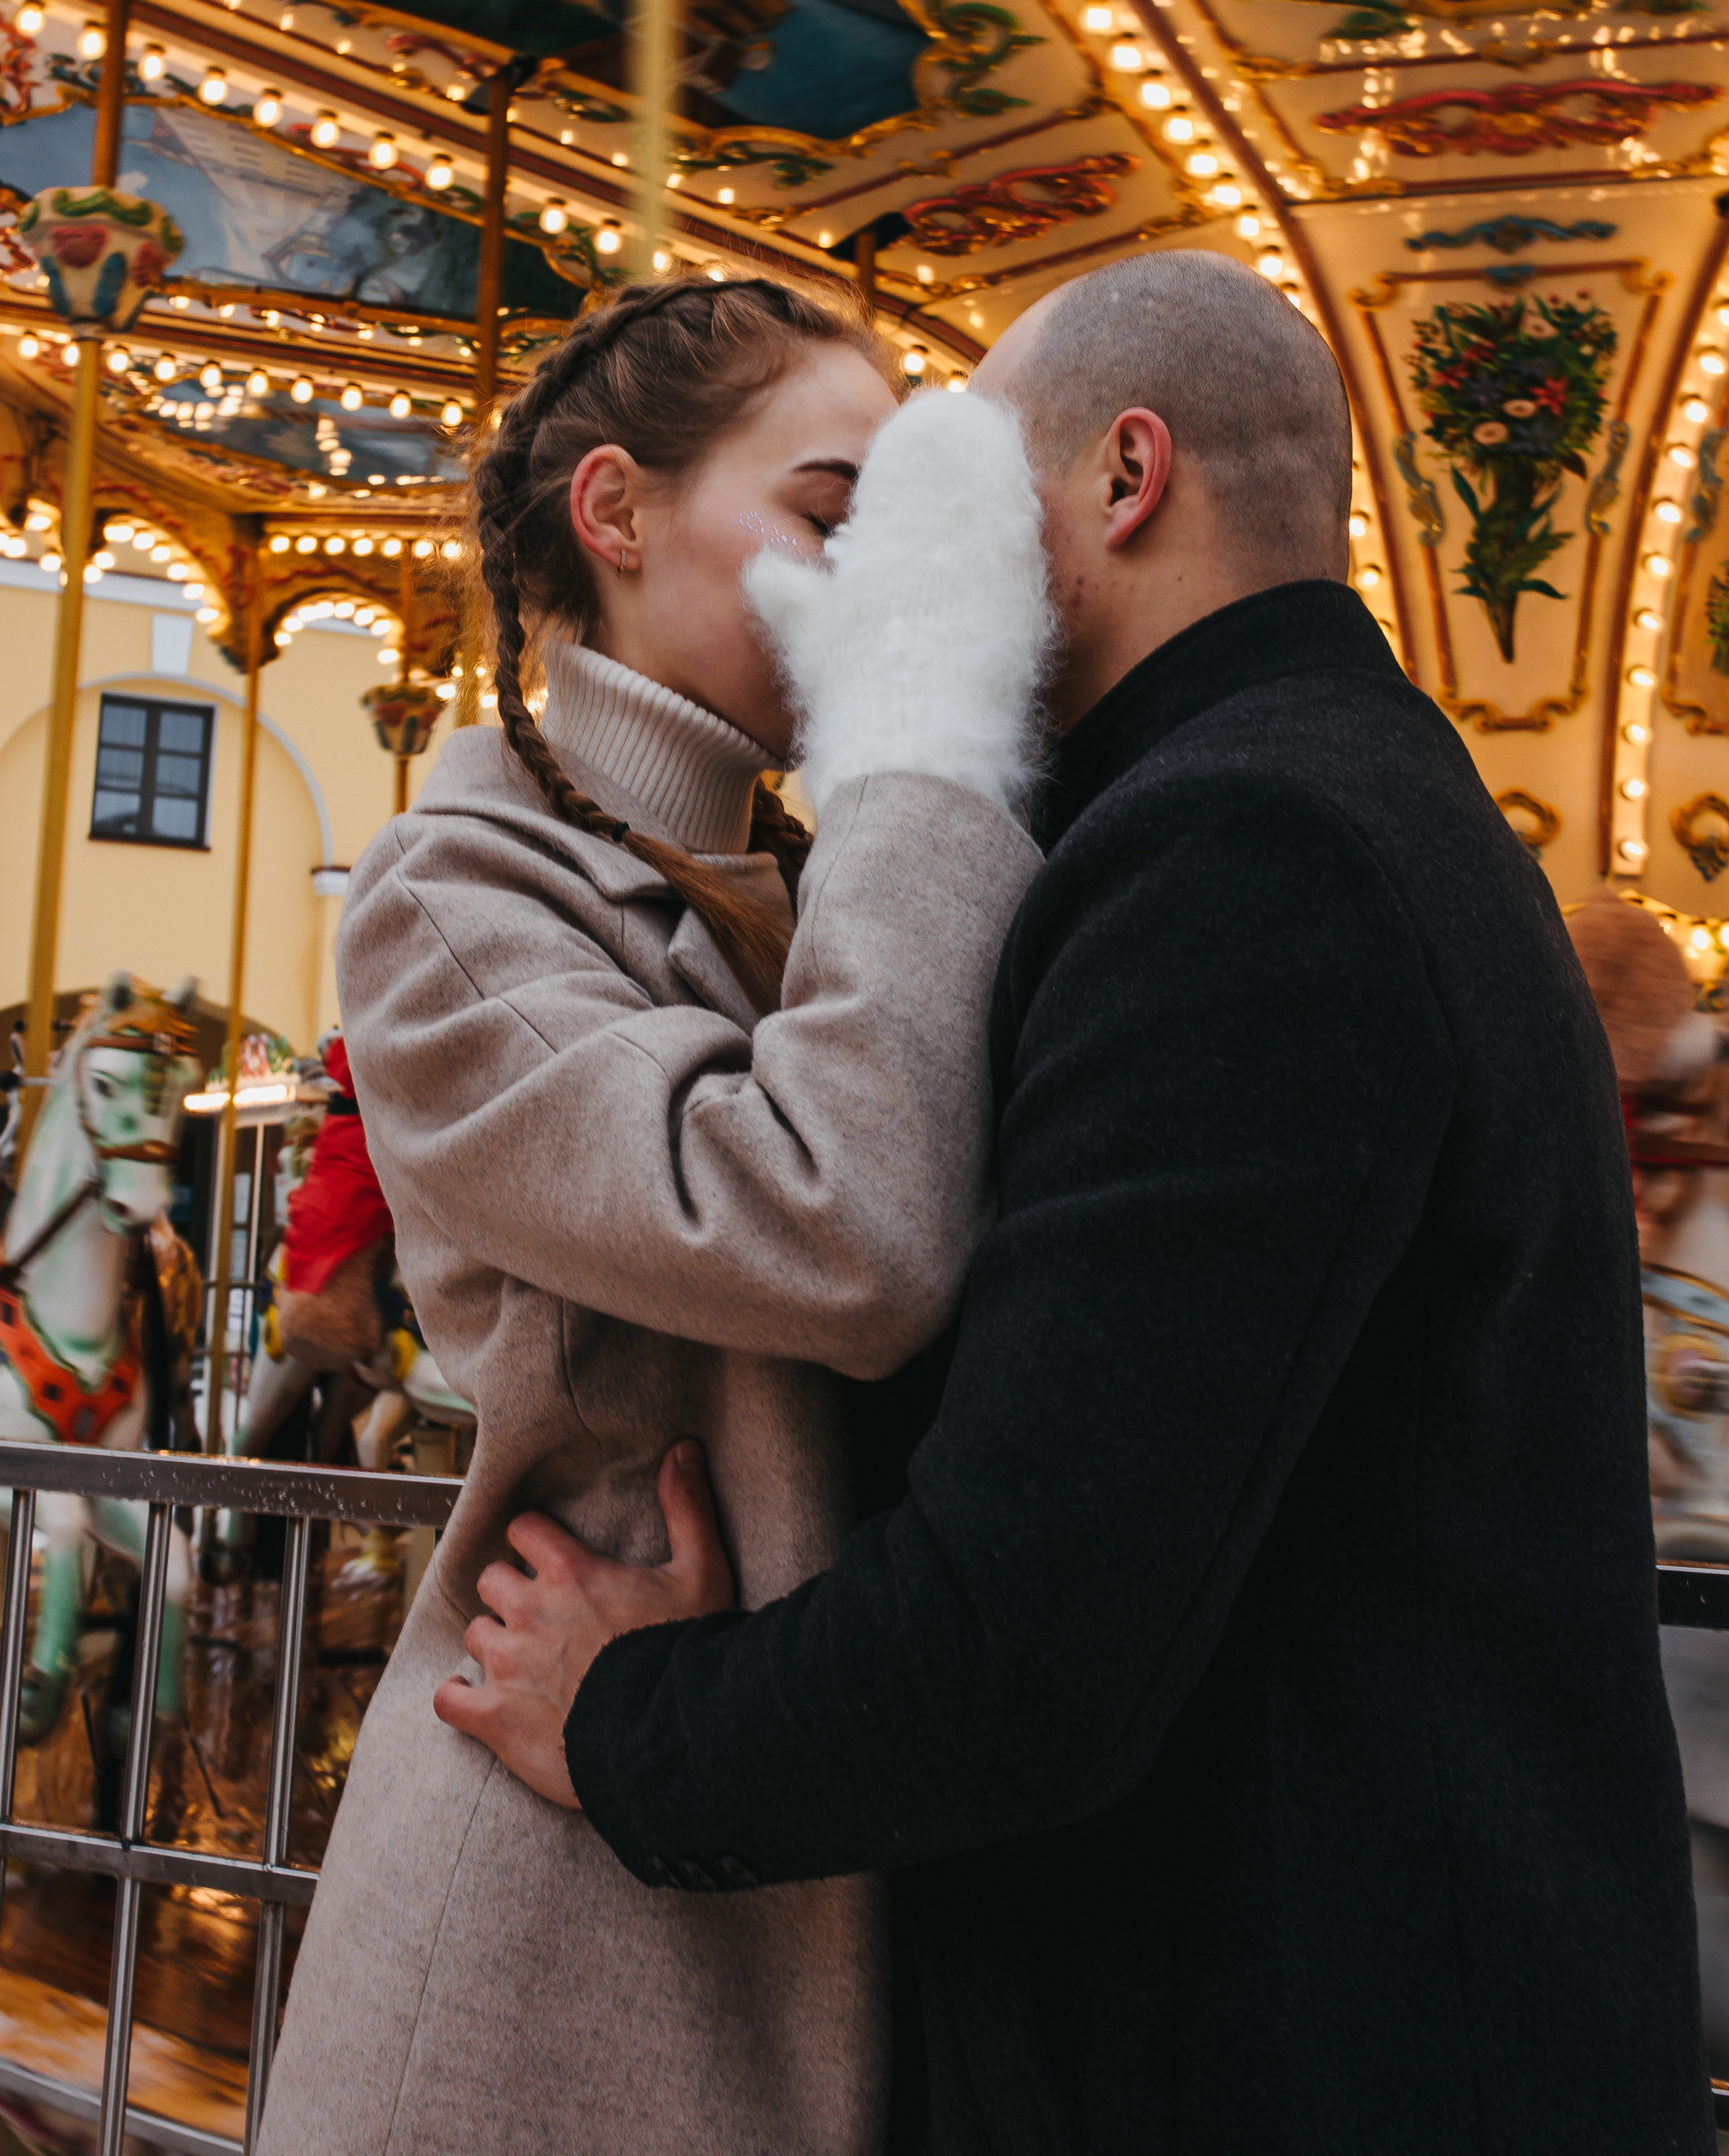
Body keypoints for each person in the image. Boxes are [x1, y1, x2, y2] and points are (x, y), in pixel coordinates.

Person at [452, 248, 1714, 2155]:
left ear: (1126, 477)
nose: (896, 560)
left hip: (1293, 2050)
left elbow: (1026, 1636)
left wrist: (629, 1718)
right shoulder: (1356, 792)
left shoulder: (1243, 846)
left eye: (951, 485)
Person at [253, 273, 1051, 2156]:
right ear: (616, 512)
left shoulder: (807, 874)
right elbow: (837, 1231)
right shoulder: (459, 898)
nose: (876, 580)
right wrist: (919, 755)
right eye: (832, 514)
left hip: (763, 1777)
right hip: (562, 1898)